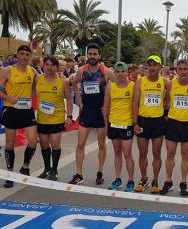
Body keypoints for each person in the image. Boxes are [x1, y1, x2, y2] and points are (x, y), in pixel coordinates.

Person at [0, 45, 39, 188]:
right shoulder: (7, 71)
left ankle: (25, 166)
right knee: (10, 142)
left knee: (32, 141)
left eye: (27, 54)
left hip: (26, 110)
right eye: (22, 54)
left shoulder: (33, 71)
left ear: (30, 57)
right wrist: (8, 97)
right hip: (11, 109)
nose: (25, 57)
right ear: (17, 55)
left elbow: (40, 86)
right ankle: (9, 174)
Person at [69, 43, 114, 185]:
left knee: (101, 144)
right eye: (90, 54)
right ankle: (79, 174)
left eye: (95, 54)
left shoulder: (106, 71)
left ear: (99, 56)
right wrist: (79, 98)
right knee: (80, 143)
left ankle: (99, 172)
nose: (92, 56)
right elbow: (74, 83)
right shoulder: (82, 70)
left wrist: (109, 104)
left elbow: (119, 84)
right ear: (88, 55)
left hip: (100, 112)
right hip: (87, 111)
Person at [160, 59, 188, 196]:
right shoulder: (171, 84)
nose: (182, 72)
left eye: (185, 69)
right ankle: (168, 181)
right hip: (172, 122)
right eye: (180, 69)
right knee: (170, 153)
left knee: (185, 154)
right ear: (176, 70)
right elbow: (166, 101)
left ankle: (183, 183)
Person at [132, 55, 170, 194]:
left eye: (155, 65)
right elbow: (135, 103)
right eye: (150, 65)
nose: (152, 67)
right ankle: (143, 179)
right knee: (142, 153)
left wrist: (165, 111)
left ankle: (155, 180)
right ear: (147, 67)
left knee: (156, 153)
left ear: (160, 67)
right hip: (143, 121)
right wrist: (135, 122)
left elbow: (169, 99)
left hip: (157, 121)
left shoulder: (165, 82)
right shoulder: (140, 82)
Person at [35, 56, 73, 181]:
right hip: (41, 118)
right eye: (47, 64)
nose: (49, 67)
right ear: (43, 66)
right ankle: (47, 168)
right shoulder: (38, 79)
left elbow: (69, 98)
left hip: (56, 118)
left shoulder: (63, 81)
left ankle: (54, 170)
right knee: (44, 144)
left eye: (52, 65)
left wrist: (69, 116)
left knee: (55, 144)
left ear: (57, 67)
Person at [104, 62, 136, 192]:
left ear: (127, 72)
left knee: (127, 153)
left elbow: (136, 106)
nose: (120, 74)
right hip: (113, 123)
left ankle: (131, 180)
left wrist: (135, 123)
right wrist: (106, 126)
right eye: (118, 72)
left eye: (123, 71)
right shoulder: (110, 87)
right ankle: (118, 179)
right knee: (117, 152)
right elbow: (106, 107)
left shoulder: (133, 86)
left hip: (127, 123)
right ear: (115, 74)